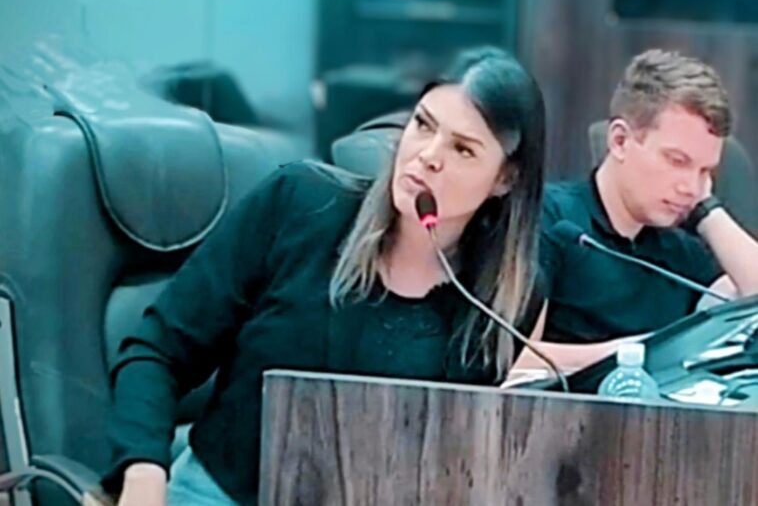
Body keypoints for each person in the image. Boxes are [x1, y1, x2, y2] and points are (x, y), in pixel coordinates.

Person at [102, 46, 547, 506]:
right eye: (423, 124)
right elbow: (156, 351)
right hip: (221, 494)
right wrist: (143, 476)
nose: (428, 156)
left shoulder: (501, 301)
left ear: (505, 180)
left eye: (462, 149)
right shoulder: (299, 205)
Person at [515, 49, 758, 374]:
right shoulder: (550, 220)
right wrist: (635, 354)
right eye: (677, 161)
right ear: (619, 141)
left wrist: (708, 211)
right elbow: (508, 356)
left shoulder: (682, 248)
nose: (690, 186)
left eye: (705, 171)